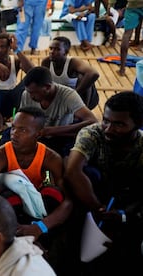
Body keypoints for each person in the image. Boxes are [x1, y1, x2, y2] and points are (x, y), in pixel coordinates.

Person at [64, 92, 143, 276]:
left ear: (137, 125)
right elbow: (73, 171)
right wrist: (99, 209)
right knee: (87, 174)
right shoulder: (92, 133)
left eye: (119, 124)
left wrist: (124, 215)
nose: (108, 129)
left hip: (128, 199)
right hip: (92, 198)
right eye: (106, 120)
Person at [0, 106, 72, 273]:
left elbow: (68, 202)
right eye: (13, 128)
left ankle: (43, 249)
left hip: (37, 210)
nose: (14, 134)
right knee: (9, 198)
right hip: (12, 212)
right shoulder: (0, 155)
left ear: (38, 134)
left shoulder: (50, 157)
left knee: (54, 195)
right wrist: (12, 227)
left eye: (22, 130)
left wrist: (40, 227)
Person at [0, 66, 98, 157]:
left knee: (65, 156)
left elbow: (92, 121)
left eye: (34, 93)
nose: (31, 96)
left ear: (48, 87)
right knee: (7, 137)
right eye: (29, 92)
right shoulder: (27, 94)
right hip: (34, 135)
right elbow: (22, 119)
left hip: (58, 138)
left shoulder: (68, 95)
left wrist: (51, 130)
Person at [41, 36, 100, 109]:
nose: (52, 52)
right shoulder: (46, 62)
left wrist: (74, 94)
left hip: (77, 96)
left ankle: (84, 110)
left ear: (66, 52)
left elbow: (94, 73)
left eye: (57, 49)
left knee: (86, 78)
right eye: (51, 48)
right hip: (58, 96)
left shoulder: (73, 62)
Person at [109, 0, 143, 76]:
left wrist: (111, 5)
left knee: (127, 35)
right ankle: (138, 42)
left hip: (133, 5)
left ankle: (122, 69)